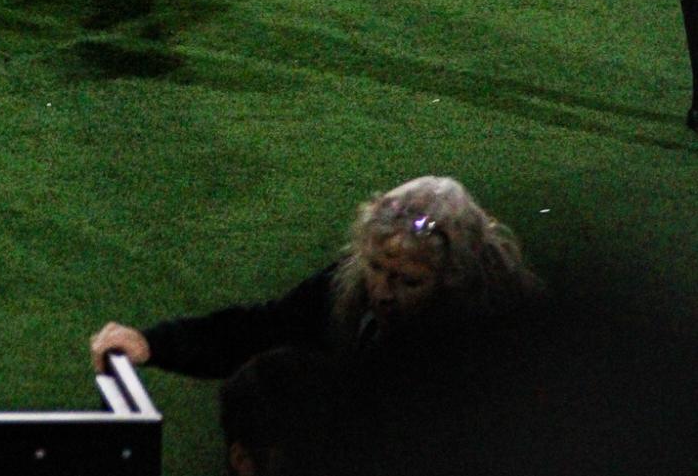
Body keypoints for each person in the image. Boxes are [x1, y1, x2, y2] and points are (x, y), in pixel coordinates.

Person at [91, 176, 543, 468]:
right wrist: (153, 344)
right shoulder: (350, 287)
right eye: (376, 269)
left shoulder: (492, 342)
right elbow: (264, 328)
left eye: (409, 281)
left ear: (452, 281)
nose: (383, 292)